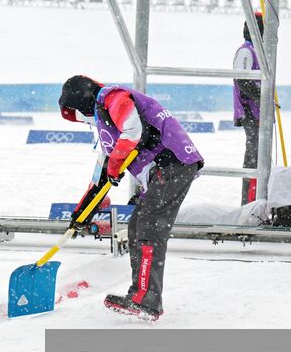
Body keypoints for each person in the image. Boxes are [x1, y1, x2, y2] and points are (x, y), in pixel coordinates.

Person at [58, 75, 203, 320]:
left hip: (172, 164)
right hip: (165, 170)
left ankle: (146, 300)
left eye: (77, 114)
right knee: (138, 227)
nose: (83, 121)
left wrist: (116, 164)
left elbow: (134, 130)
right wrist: (80, 216)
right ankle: (143, 296)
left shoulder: (111, 98)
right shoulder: (107, 127)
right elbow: (101, 178)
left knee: (149, 228)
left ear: (82, 103)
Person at [232, 13, 263, 205]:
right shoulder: (246, 51)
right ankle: (249, 201)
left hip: (259, 111)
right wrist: (262, 96)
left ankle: (256, 198)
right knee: (254, 158)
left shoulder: (258, 51)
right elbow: (242, 79)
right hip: (250, 111)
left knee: (259, 156)